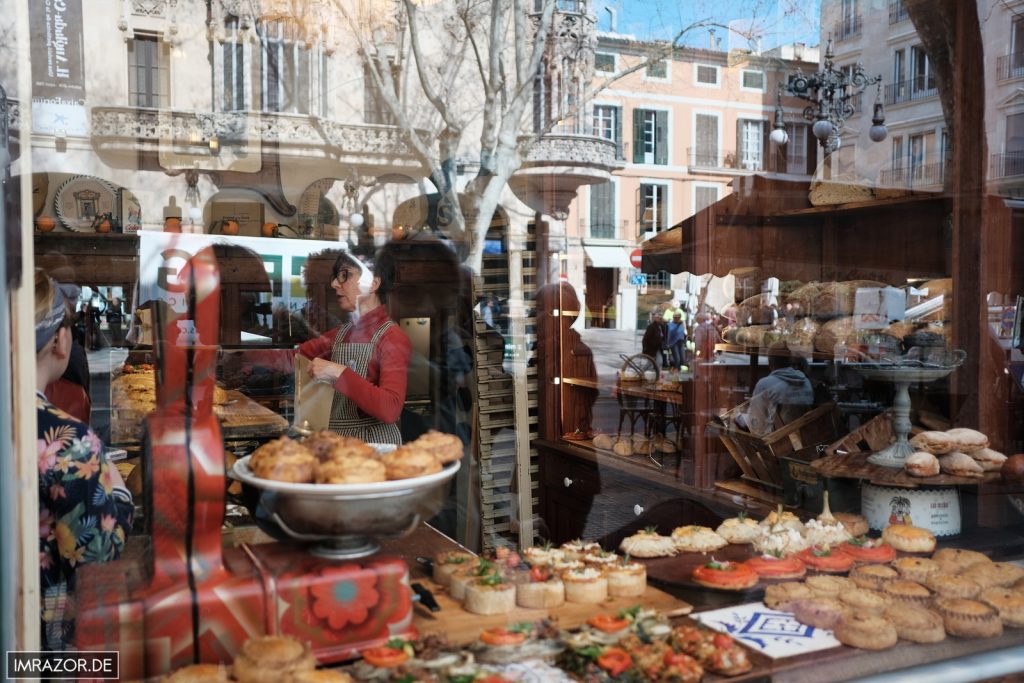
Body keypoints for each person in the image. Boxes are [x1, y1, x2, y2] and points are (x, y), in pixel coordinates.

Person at [34, 269, 133, 650]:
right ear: (60, 341)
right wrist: (120, 493)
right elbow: (96, 553)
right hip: (41, 642)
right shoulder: (69, 440)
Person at [298, 249, 411, 444]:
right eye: (336, 276)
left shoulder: (392, 337)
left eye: (345, 275)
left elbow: (390, 410)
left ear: (373, 283)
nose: (334, 284)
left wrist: (338, 372)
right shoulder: (342, 334)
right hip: (337, 444)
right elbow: (292, 357)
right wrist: (240, 357)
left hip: (373, 448)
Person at [735, 352, 814, 436]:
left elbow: (756, 424)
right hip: (805, 436)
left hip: (780, 440)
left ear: (769, 363)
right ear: (790, 361)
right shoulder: (806, 382)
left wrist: (739, 417)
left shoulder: (765, 384)